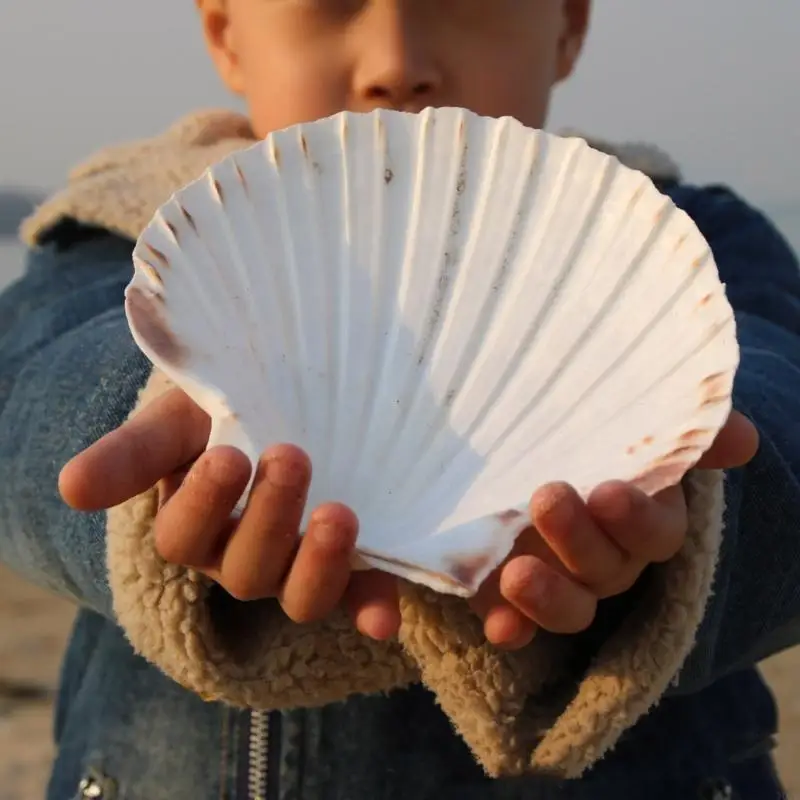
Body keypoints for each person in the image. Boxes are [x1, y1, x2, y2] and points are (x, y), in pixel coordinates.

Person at [1, 1, 797, 797]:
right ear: (226, 34)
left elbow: (780, 402)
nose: (395, 62)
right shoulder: (116, 225)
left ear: (569, 27)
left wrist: (687, 497)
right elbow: (27, 403)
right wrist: (165, 411)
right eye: (329, 7)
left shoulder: (677, 242)